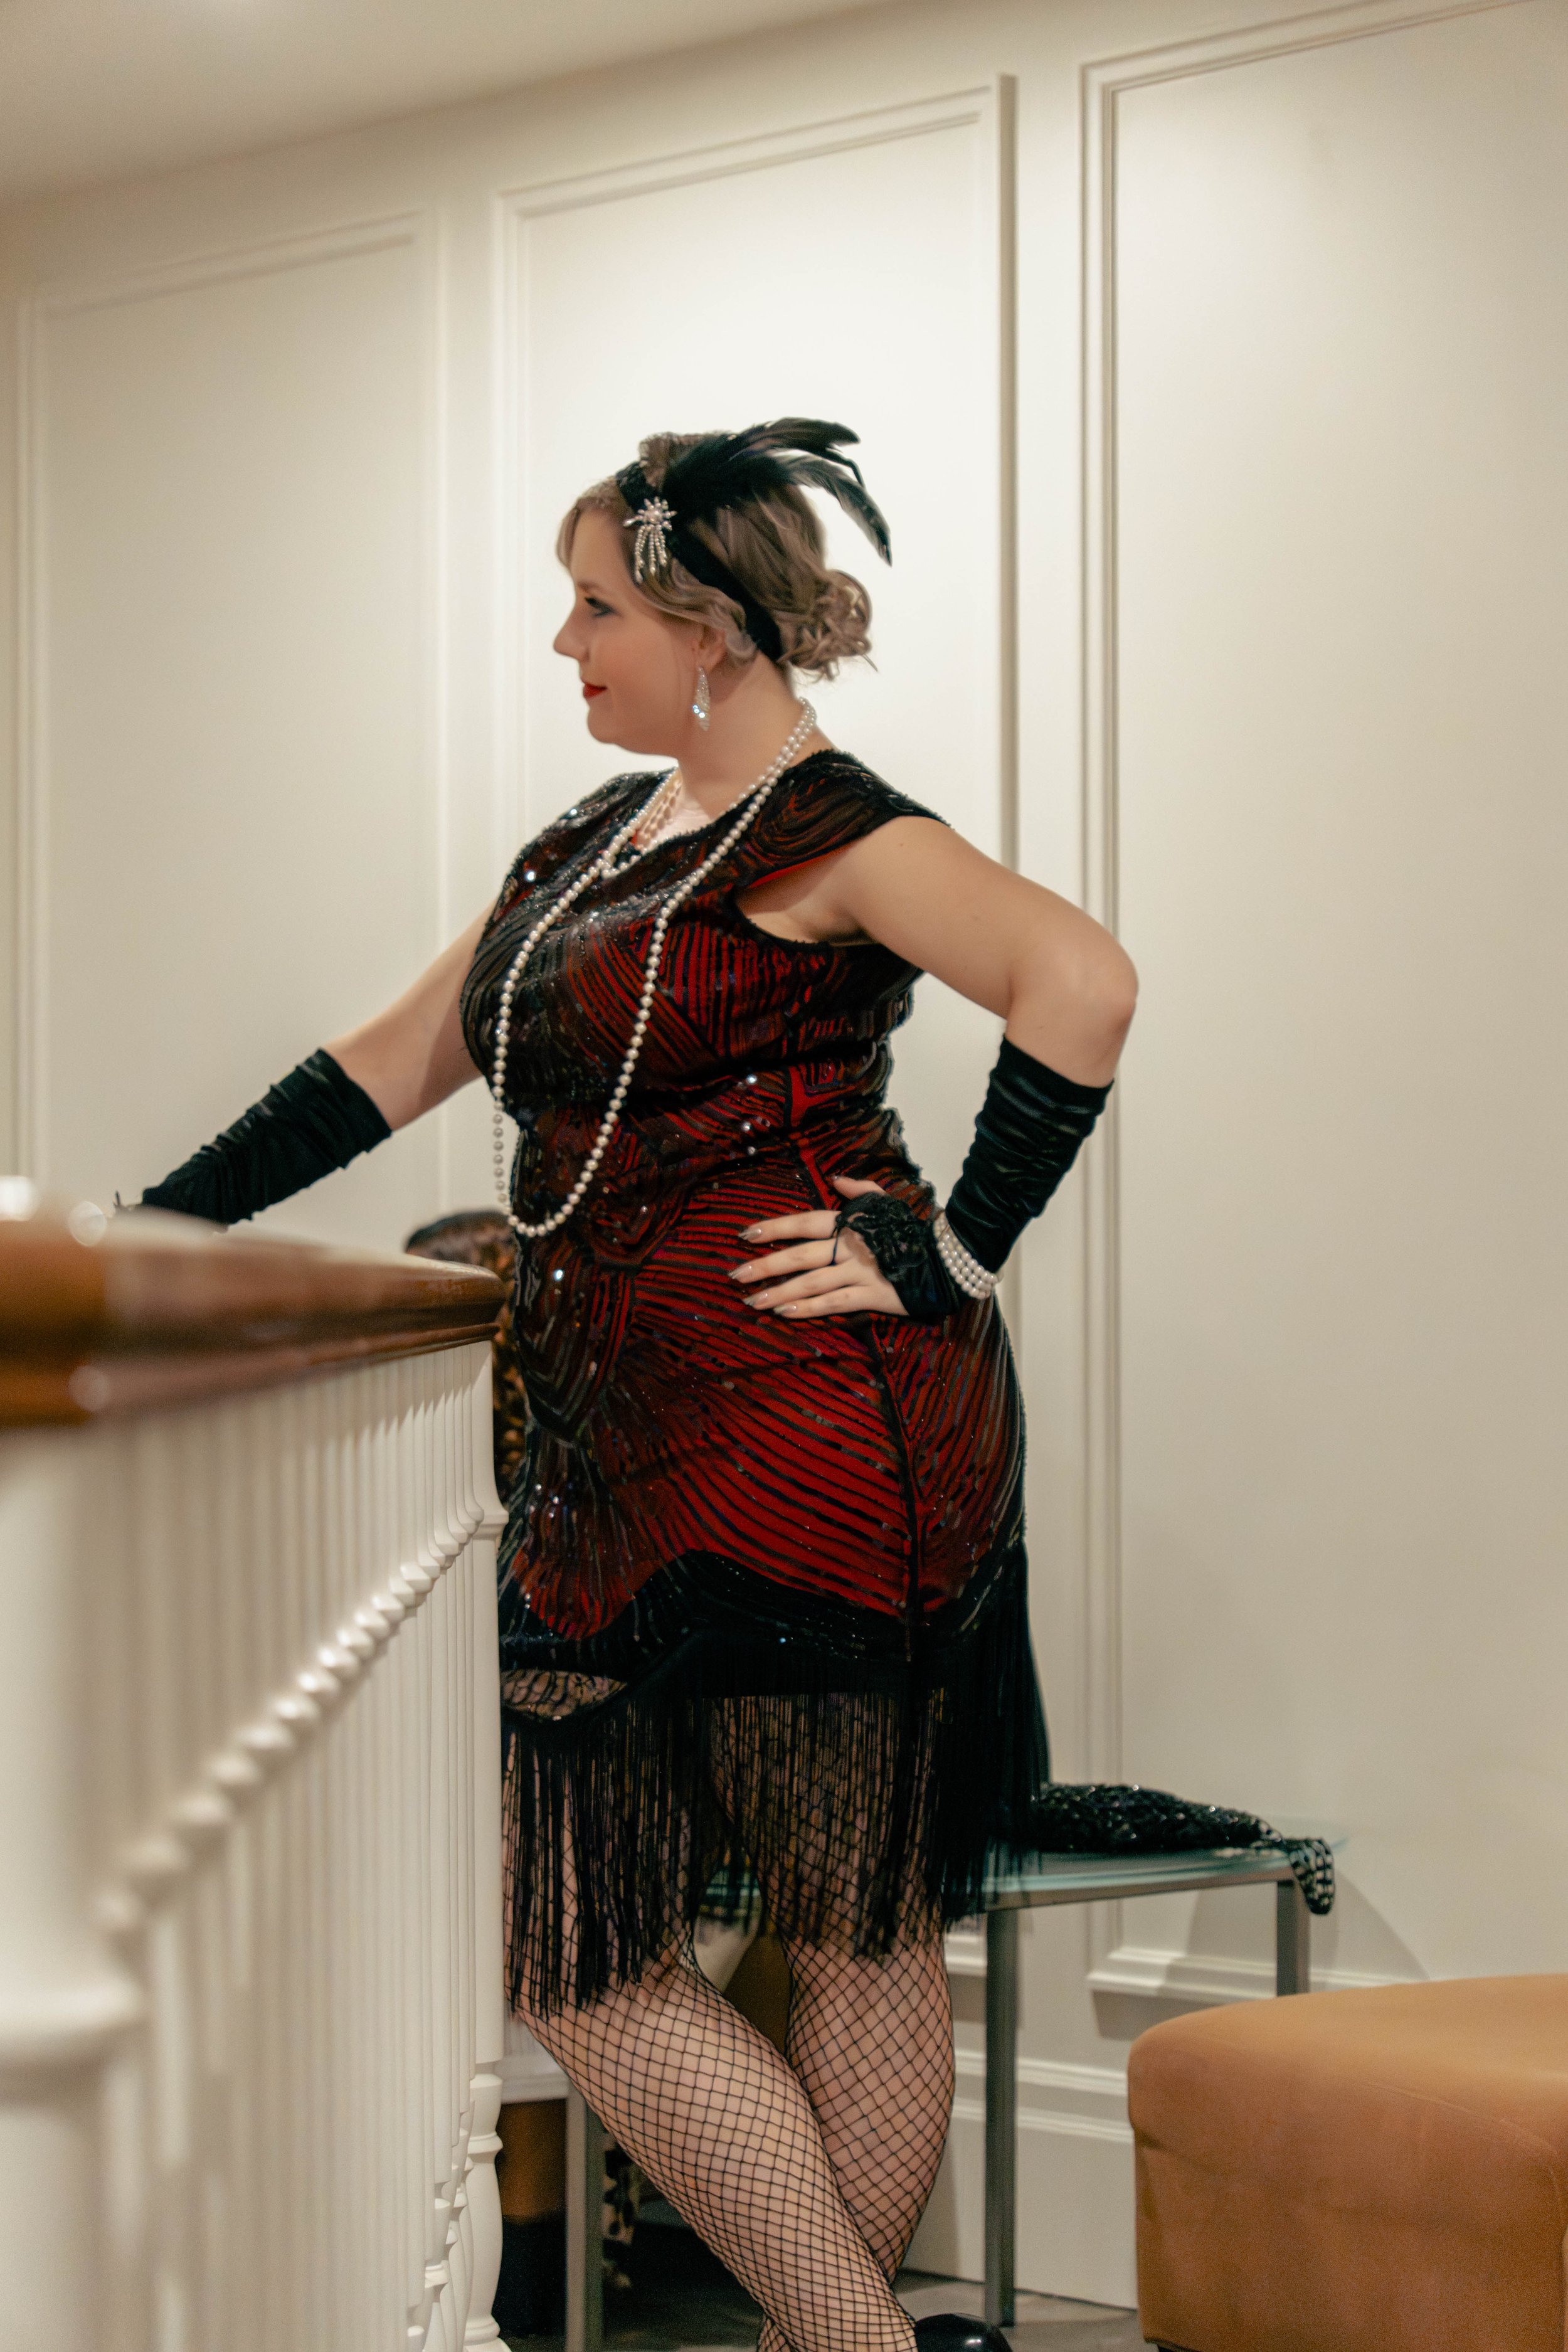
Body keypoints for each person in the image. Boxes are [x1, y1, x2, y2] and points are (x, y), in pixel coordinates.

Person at [140, 420, 1137, 2352]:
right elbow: (380, 1067)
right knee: (573, 1943)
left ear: (712, 630)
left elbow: (1077, 982)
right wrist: (148, 1227)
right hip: (619, 1446)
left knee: (843, 1938)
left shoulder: (839, 830)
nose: (562, 643)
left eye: (594, 604)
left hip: (824, 1436)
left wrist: (949, 1247)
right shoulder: (587, 846)